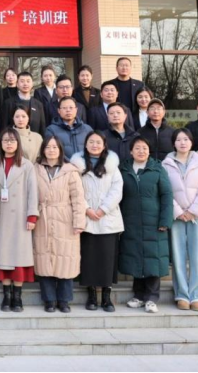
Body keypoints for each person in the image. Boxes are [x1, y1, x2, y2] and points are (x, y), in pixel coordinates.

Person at [163, 128, 198, 312]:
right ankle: (181, 295)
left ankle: (197, 295)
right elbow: (165, 191)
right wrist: (178, 212)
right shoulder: (166, 164)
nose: (183, 143)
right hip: (176, 217)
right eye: (179, 140)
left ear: (191, 142)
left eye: (186, 139)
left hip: (197, 216)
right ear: (174, 143)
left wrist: (193, 211)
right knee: (178, 257)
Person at [70, 132, 124, 313]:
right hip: (86, 217)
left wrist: (103, 209)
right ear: (85, 144)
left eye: (98, 142)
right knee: (89, 258)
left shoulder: (112, 165)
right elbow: (75, 189)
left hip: (108, 218)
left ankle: (106, 297)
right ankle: (92, 295)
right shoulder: (77, 165)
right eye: (91, 142)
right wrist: (87, 209)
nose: (94, 145)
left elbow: (117, 189)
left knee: (107, 259)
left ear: (104, 145)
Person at [119, 137, 173, 314]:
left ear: (149, 151)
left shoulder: (157, 168)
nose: (141, 151)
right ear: (131, 151)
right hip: (131, 221)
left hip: (154, 221)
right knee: (136, 256)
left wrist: (165, 220)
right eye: (137, 148)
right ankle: (138, 295)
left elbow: (167, 195)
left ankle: (151, 298)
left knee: (153, 258)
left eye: (144, 148)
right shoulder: (124, 169)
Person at [33, 136, 86, 313]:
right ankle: (49, 299)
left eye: (55, 147)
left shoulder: (70, 170)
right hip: (42, 217)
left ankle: (64, 300)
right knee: (44, 257)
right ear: (43, 150)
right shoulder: (35, 169)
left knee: (66, 259)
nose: (51, 150)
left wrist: (79, 222)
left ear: (60, 150)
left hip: (65, 218)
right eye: (48, 147)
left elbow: (78, 199)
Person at [0, 128, 38, 313]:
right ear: (0, 143)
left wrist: (32, 215)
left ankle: (17, 296)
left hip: (20, 214)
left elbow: (33, 192)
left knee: (19, 255)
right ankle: (6, 295)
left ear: (18, 143)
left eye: (12, 140)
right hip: (0, 214)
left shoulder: (27, 165)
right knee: (3, 255)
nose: (9, 144)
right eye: (5, 140)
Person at [1, 71, 47, 136]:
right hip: (14, 140)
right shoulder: (8, 103)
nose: (25, 84)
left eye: (28, 81)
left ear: (32, 84)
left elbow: (42, 128)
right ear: (17, 84)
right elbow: (4, 127)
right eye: (22, 81)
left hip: (33, 140)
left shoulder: (38, 105)